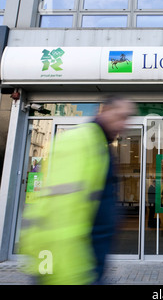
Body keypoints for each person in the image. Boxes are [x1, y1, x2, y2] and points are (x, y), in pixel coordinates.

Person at [20, 96, 136, 285]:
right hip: (69, 268)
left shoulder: (101, 146)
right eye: (120, 116)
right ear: (105, 111)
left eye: (127, 118)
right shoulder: (80, 141)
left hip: (88, 264)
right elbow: (60, 211)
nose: (123, 123)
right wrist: (65, 273)